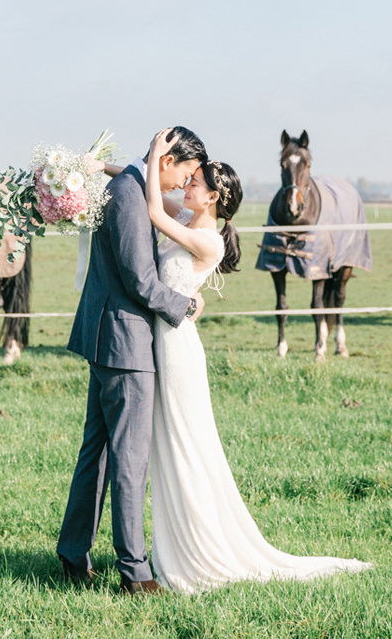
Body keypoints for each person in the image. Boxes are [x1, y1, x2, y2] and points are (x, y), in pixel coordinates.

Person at [140, 129, 371, 594]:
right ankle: (176, 543)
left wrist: (155, 157)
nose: (185, 185)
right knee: (170, 448)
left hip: (179, 350)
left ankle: (198, 550)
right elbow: (148, 196)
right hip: (164, 342)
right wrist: (94, 172)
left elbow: (149, 208)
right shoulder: (189, 216)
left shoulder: (209, 240)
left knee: (188, 446)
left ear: (213, 197)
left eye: (195, 182)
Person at [56, 126, 208, 595]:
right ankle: (135, 572)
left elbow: (141, 183)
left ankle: (73, 553)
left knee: (98, 453)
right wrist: (184, 307)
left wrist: (107, 164)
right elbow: (141, 280)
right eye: (184, 172)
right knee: (129, 459)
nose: (184, 185)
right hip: (124, 344)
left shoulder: (129, 187)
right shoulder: (127, 197)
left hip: (111, 340)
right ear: (165, 161)